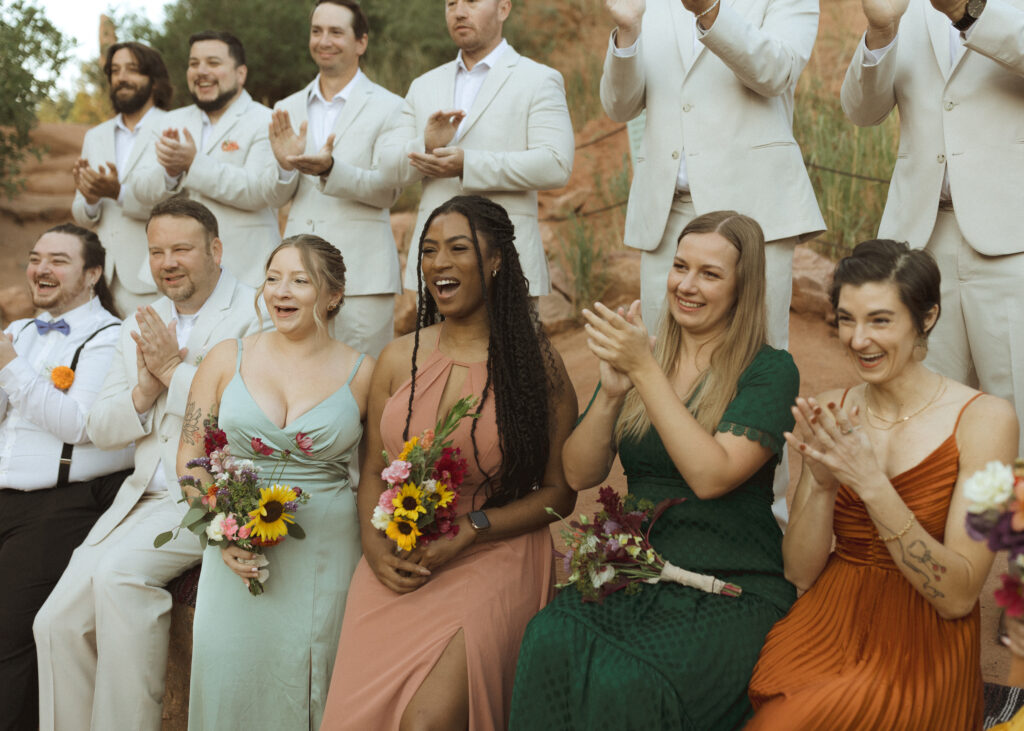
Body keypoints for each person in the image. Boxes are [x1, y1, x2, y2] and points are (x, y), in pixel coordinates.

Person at [509, 211, 799, 730]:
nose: (686, 285)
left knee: (636, 681)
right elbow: (578, 474)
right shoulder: (647, 356)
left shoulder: (769, 370)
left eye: (709, 274)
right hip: (636, 571)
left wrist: (644, 370)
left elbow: (712, 476)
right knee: (548, 638)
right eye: (680, 266)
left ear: (743, 287)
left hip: (730, 580)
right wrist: (613, 395)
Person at [320, 195, 577, 730]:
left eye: (458, 248)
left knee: (426, 724)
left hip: (494, 551)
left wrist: (475, 527)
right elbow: (371, 470)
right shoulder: (398, 357)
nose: (439, 263)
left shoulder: (536, 368)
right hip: (400, 560)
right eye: (429, 250)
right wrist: (373, 548)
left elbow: (560, 493)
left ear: (496, 260)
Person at [747, 240, 1019, 729]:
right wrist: (825, 484)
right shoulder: (830, 406)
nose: (857, 339)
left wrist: (872, 484)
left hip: (924, 635)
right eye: (847, 318)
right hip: (831, 618)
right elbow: (799, 573)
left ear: (927, 317)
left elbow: (958, 594)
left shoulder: (988, 421)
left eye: (879, 320)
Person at [33, 197, 263, 731]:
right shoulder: (143, 318)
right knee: (55, 623)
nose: (167, 262)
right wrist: (142, 388)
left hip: (207, 493)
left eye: (181, 249)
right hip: (139, 495)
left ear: (216, 250)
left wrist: (173, 371)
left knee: (120, 579)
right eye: (156, 251)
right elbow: (103, 427)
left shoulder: (256, 313)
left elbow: (252, 416)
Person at [600, 0, 825, 528]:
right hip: (668, 214)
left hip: (756, 213)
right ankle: (656, 511)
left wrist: (710, 12)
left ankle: (763, 519)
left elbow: (776, 71)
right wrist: (627, 31)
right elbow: (618, 104)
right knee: (658, 361)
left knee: (758, 360)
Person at [179, 234, 371, 730]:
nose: (281, 292)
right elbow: (192, 453)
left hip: (325, 552)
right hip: (233, 548)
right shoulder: (227, 358)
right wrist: (221, 528)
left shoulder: (364, 372)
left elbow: (377, 472)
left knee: (313, 677)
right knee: (227, 672)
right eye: (272, 278)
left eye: (300, 280)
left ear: (332, 295)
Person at [840, 0, 1024, 457]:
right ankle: (930, 528)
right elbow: (861, 112)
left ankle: (1010, 529)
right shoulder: (904, 8)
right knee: (925, 409)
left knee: (1016, 406)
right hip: (919, 242)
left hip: (1013, 236)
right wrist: (880, 32)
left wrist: (969, 11)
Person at [0, 225, 134, 731]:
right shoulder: (19, 333)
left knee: (9, 637)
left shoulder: (110, 338)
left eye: (58, 260)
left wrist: (11, 368)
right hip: (6, 495)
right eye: (36, 259)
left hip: (59, 506)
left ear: (93, 274)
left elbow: (82, 427)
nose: (41, 270)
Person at [381, 0, 574, 299]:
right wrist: (428, 145)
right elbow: (387, 168)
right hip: (437, 269)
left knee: (508, 348)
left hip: (506, 264)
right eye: (451, 3)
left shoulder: (538, 79)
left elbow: (555, 164)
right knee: (433, 348)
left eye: (471, 1)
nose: (459, 12)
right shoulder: (423, 85)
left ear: (504, 8)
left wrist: (467, 165)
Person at [270, 0, 404, 356]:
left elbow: (388, 190)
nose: (323, 40)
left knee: (366, 386)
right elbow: (277, 195)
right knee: (298, 379)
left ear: (360, 42)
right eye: (316, 31)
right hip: (297, 276)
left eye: (335, 32)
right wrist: (285, 165)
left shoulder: (391, 106)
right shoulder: (287, 107)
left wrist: (331, 171)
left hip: (363, 277)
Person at [133, 30, 290, 289]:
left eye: (213, 63)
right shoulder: (167, 122)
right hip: (175, 277)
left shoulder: (266, 121)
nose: (201, 71)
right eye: (194, 64)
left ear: (241, 74)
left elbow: (259, 191)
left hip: (246, 273)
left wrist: (192, 165)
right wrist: (170, 174)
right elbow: (140, 190)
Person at [71, 41, 172, 314]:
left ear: (153, 80)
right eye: (115, 71)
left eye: (132, 69)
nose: (121, 78)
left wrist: (118, 192)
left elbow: (177, 202)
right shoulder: (95, 136)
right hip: (100, 279)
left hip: (152, 278)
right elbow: (81, 213)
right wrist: (91, 200)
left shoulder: (174, 127)